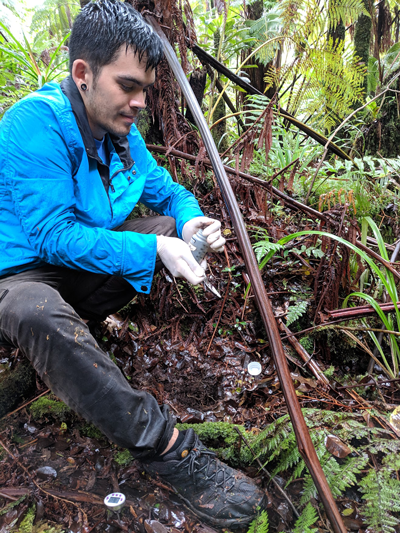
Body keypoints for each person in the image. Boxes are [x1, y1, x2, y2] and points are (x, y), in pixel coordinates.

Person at [0, 0, 267, 528]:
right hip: (17, 276)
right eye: (128, 86)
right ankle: (167, 448)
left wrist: (190, 225)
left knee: (167, 233)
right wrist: (151, 250)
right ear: (83, 74)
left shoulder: (122, 136)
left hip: (74, 272)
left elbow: (168, 191)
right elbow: (52, 235)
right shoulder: (33, 124)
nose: (140, 101)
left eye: (145, 88)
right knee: (37, 312)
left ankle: (77, 348)